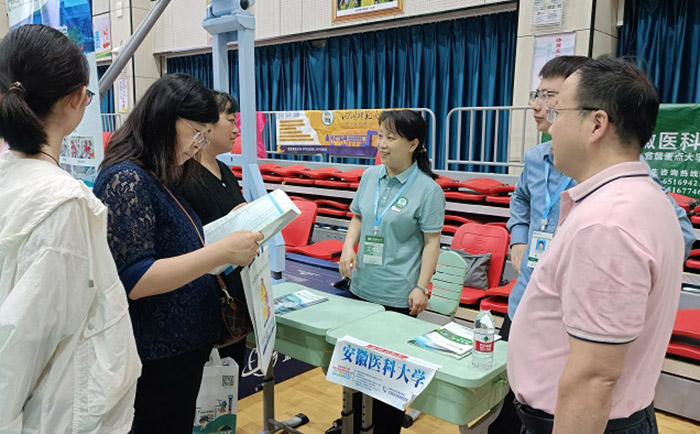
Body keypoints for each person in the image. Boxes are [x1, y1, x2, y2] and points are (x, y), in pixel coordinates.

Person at [495, 55, 695, 434]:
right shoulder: (641, 197)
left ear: (596, 124)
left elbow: (594, 377)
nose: (551, 125)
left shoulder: (606, 225)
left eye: (559, 112)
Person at [93, 74, 264, 433]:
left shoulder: (161, 174)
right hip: (157, 353)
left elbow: (177, 246)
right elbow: (135, 278)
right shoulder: (126, 179)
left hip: (183, 349)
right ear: (165, 119)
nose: (197, 145)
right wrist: (218, 251)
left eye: (204, 136)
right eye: (196, 133)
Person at [0, 25, 141, 433]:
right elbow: (20, 344)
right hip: (56, 416)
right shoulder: (62, 203)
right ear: (78, 99)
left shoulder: (15, 178)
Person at [338, 110, 445, 434]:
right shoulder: (370, 176)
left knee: (388, 382)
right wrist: (348, 247)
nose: (381, 144)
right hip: (361, 288)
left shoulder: (428, 190)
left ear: (413, 144)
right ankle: (352, 425)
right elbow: (358, 216)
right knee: (356, 371)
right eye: (380, 136)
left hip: (397, 295)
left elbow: (432, 242)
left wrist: (421, 287)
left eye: (390, 138)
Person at [181, 91, 250, 375]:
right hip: (205, 297)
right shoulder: (184, 174)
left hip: (235, 291)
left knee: (229, 379)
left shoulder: (224, 170)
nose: (236, 129)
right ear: (207, 123)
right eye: (231, 120)